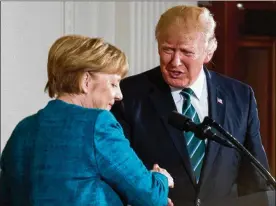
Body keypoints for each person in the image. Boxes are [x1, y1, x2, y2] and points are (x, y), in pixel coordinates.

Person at [111, 5, 270, 205]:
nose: (175, 62)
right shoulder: (129, 94)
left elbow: (255, 178)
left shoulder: (239, 96)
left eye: (187, 52)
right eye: (167, 50)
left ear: (208, 52)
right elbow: (116, 175)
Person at [0, 35, 175, 206]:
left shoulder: (22, 129)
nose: (120, 95)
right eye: (113, 84)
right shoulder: (98, 124)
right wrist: (161, 178)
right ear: (85, 80)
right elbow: (151, 197)